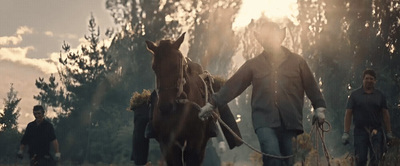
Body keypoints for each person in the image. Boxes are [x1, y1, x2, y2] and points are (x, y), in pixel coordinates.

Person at [199, 20, 327, 166]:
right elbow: (232, 86)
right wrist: (212, 104)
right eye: (265, 39)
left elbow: (312, 87)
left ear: (280, 37)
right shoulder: (252, 65)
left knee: (288, 161)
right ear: (262, 42)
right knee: (272, 154)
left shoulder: (298, 62)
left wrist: (319, 108)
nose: (269, 41)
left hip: (290, 121)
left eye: (272, 37)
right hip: (264, 120)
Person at [130, 89, 227, 166]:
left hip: (202, 145)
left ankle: (213, 126)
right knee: (143, 111)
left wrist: (221, 141)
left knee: (215, 96)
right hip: (165, 85)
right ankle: (140, 158)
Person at [342, 69, 394, 166]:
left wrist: (389, 132)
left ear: (375, 81)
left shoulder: (380, 95)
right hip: (360, 132)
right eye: (367, 78)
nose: (369, 80)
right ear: (363, 79)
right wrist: (346, 132)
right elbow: (348, 113)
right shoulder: (354, 95)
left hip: (377, 131)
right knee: (360, 159)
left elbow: (385, 114)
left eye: (371, 79)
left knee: (376, 158)